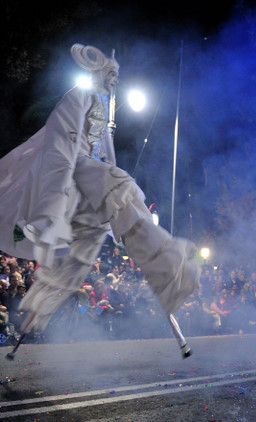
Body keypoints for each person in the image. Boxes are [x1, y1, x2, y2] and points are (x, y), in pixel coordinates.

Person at [0, 44, 200, 335]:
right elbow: (60, 149)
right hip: (69, 173)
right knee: (118, 192)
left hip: (87, 175)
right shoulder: (75, 99)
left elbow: (108, 154)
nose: (116, 79)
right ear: (99, 72)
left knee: (87, 243)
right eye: (112, 73)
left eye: (118, 73)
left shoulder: (102, 106)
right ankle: (163, 260)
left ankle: (159, 261)